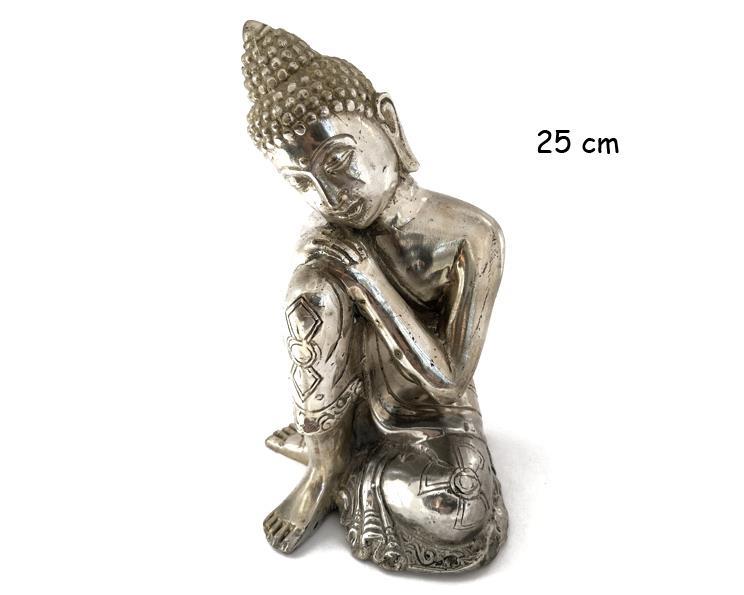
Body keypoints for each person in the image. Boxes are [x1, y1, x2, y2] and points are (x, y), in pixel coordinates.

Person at [242, 21, 508, 573]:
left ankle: (349, 466)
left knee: (457, 511)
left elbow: (449, 378)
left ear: (387, 122)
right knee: (311, 290)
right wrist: (325, 275)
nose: (329, 196)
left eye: (338, 162)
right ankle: (325, 464)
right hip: (354, 401)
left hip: (433, 416)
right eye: (302, 182)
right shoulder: (331, 236)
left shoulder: (471, 235)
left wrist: (369, 278)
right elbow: (319, 330)